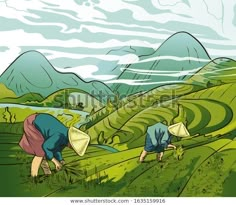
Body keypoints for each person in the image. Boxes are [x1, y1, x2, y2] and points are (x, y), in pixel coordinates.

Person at [19, 113, 90, 177]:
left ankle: (47, 174)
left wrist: (61, 160)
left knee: (42, 154)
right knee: (40, 154)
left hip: (39, 123)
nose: (72, 149)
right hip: (32, 123)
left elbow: (56, 149)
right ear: (71, 143)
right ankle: (33, 177)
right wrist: (56, 162)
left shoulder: (64, 137)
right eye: (73, 148)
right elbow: (46, 147)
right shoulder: (59, 136)